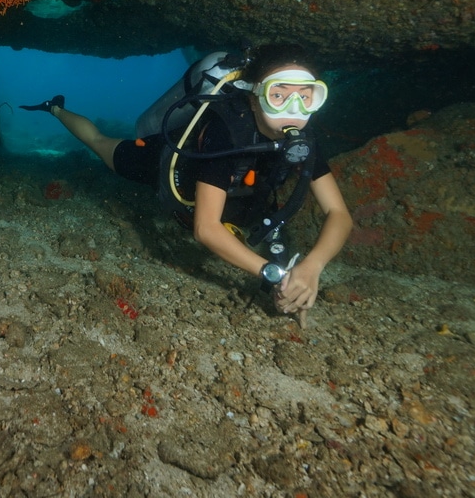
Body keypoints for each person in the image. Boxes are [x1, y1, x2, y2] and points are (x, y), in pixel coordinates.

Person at [20, 43, 353, 324]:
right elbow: (205, 228)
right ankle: (55, 109)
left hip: (239, 187)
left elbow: (339, 213)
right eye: (278, 95)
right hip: (164, 164)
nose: (294, 110)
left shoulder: (303, 136)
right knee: (98, 142)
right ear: (253, 96)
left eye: (307, 96)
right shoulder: (228, 131)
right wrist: (272, 274)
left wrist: (312, 267)